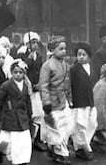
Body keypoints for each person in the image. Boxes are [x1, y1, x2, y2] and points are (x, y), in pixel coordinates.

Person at [38, 36, 73, 165]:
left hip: (63, 101)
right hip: (52, 103)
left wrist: (70, 99)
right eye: (61, 49)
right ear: (52, 50)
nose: (64, 51)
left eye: (65, 48)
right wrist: (46, 102)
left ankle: (54, 149)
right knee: (56, 129)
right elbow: (44, 85)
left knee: (66, 128)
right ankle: (60, 154)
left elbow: (67, 84)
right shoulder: (47, 66)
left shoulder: (65, 64)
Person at [0, 59, 32, 165]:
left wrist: (30, 113)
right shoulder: (6, 85)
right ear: (11, 72)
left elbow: (28, 100)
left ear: (24, 74)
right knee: (7, 139)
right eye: (15, 72)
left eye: (20, 72)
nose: (18, 75)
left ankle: (22, 160)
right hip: (10, 115)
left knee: (23, 139)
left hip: (22, 116)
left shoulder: (26, 85)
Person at [17, 31, 47, 151]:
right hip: (27, 90)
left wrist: (40, 83)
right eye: (32, 42)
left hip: (36, 90)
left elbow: (41, 71)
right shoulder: (22, 55)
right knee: (31, 114)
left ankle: (38, 139)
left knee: (39, 114)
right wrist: (28, 60)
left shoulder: (38, 56)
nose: (34, 45)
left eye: (36, 42)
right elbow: (20, 70)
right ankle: (29, 139)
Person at [70, 42, 97, 161]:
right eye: (79, 54)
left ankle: (86, 144)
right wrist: (71, 101)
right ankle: (80, 148)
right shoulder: (74, 69)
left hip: (90, 100)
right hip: (79, 101)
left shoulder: (92, 67)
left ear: (89, 56)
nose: (81, 57)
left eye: (84, 54)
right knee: (80, 124)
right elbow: (70, 85)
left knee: (91, 123)